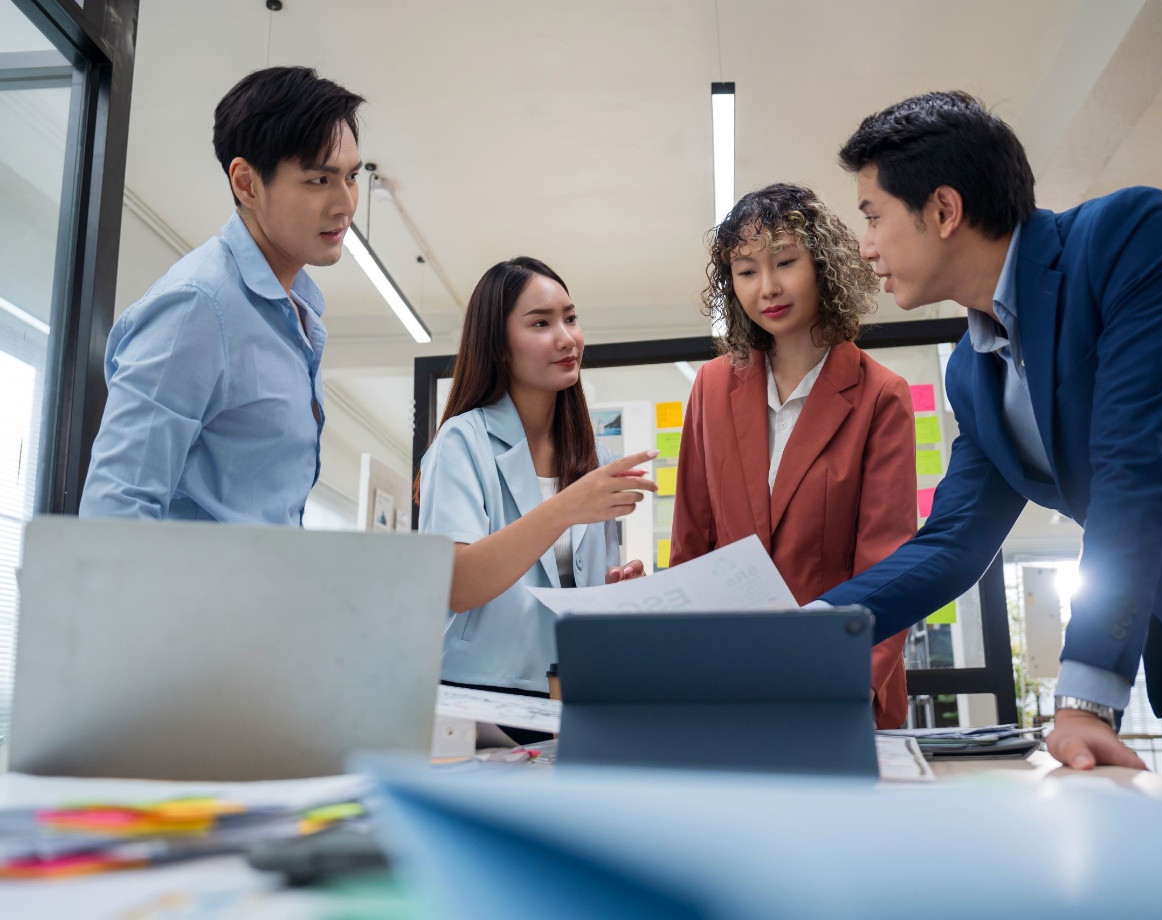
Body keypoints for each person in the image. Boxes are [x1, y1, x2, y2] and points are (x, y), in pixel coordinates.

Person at [815, 91, 1162, 782]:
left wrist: (1085, 695)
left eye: (873, 217)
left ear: (942, 209)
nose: (866, 247)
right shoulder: (972, 369)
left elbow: (1137, 462)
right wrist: (808, 623)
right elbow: (953, 542)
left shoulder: (1131, 237)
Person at [673, 183, 917, 729]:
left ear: (823, 265)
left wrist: (842, 682)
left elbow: (888, 566)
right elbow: (692, 546)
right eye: (746, 271)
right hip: (730, 682)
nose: (768, 287)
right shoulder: (711, 387)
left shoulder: (880, 394)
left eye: (785, 261)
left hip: (840, 684)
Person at [80, 67, 365, 523]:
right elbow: (115, 509)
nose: (346, 203)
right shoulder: (199, 306)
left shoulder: (296, 312)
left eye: (351, 177)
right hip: (194, 596)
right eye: (319, 180)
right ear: (247, 184)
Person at [417, 257, 655, 739]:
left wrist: (615, 592)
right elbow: (458, 584)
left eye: (570, 318)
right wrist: (567, 508)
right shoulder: (463, 442)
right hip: (479, 698)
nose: (567, 338)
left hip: (571, 695)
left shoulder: (592, 455)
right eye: (541, 323)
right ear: (499, 346)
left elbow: (570, 596)